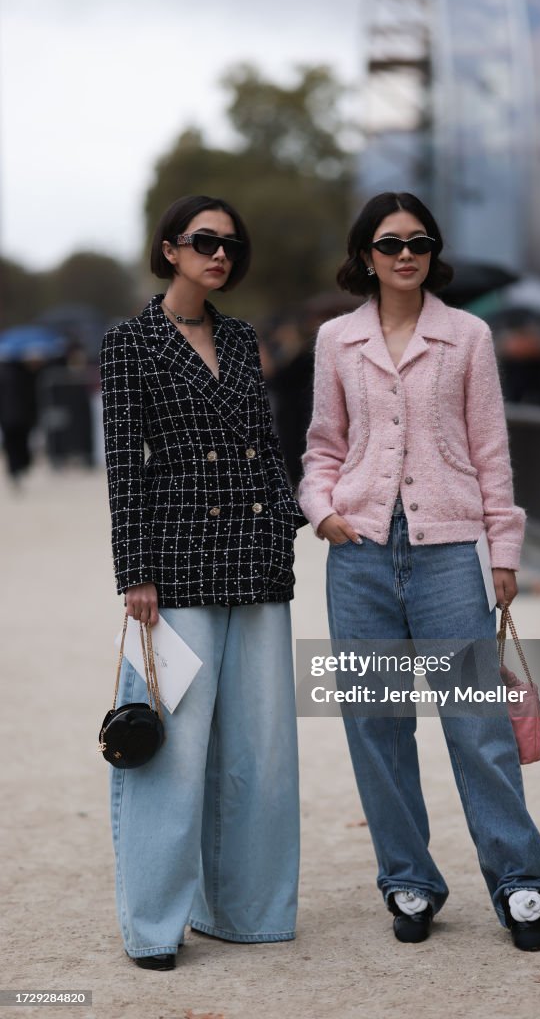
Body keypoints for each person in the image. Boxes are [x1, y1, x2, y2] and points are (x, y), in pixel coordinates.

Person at [298, 191, 540, 950]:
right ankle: (408, 880)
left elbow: (490, 450)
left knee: (476, 723)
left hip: (450, 551)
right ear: (366, 254)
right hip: (359, 553)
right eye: (389, 243)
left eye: (418, 241)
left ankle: (521, 883)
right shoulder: (336, 340)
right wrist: (321, 508)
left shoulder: (467, 335)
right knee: (376, 723)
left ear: (432, 252)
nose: (405, 254)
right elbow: (322, 443)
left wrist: (502, 551)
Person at [100, 194, 306, 970]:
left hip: (255, 555)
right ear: (170, 249)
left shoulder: (245, 337)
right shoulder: (130, 343)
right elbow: (125, 465)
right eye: (205, 241)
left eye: (230, 245)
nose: (221, 254)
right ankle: (153, 925)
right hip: (177, 562)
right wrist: (136, 572)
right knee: (174, 751)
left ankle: (248, 911)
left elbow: (265, 439)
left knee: (261, 745)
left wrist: (284, 516)